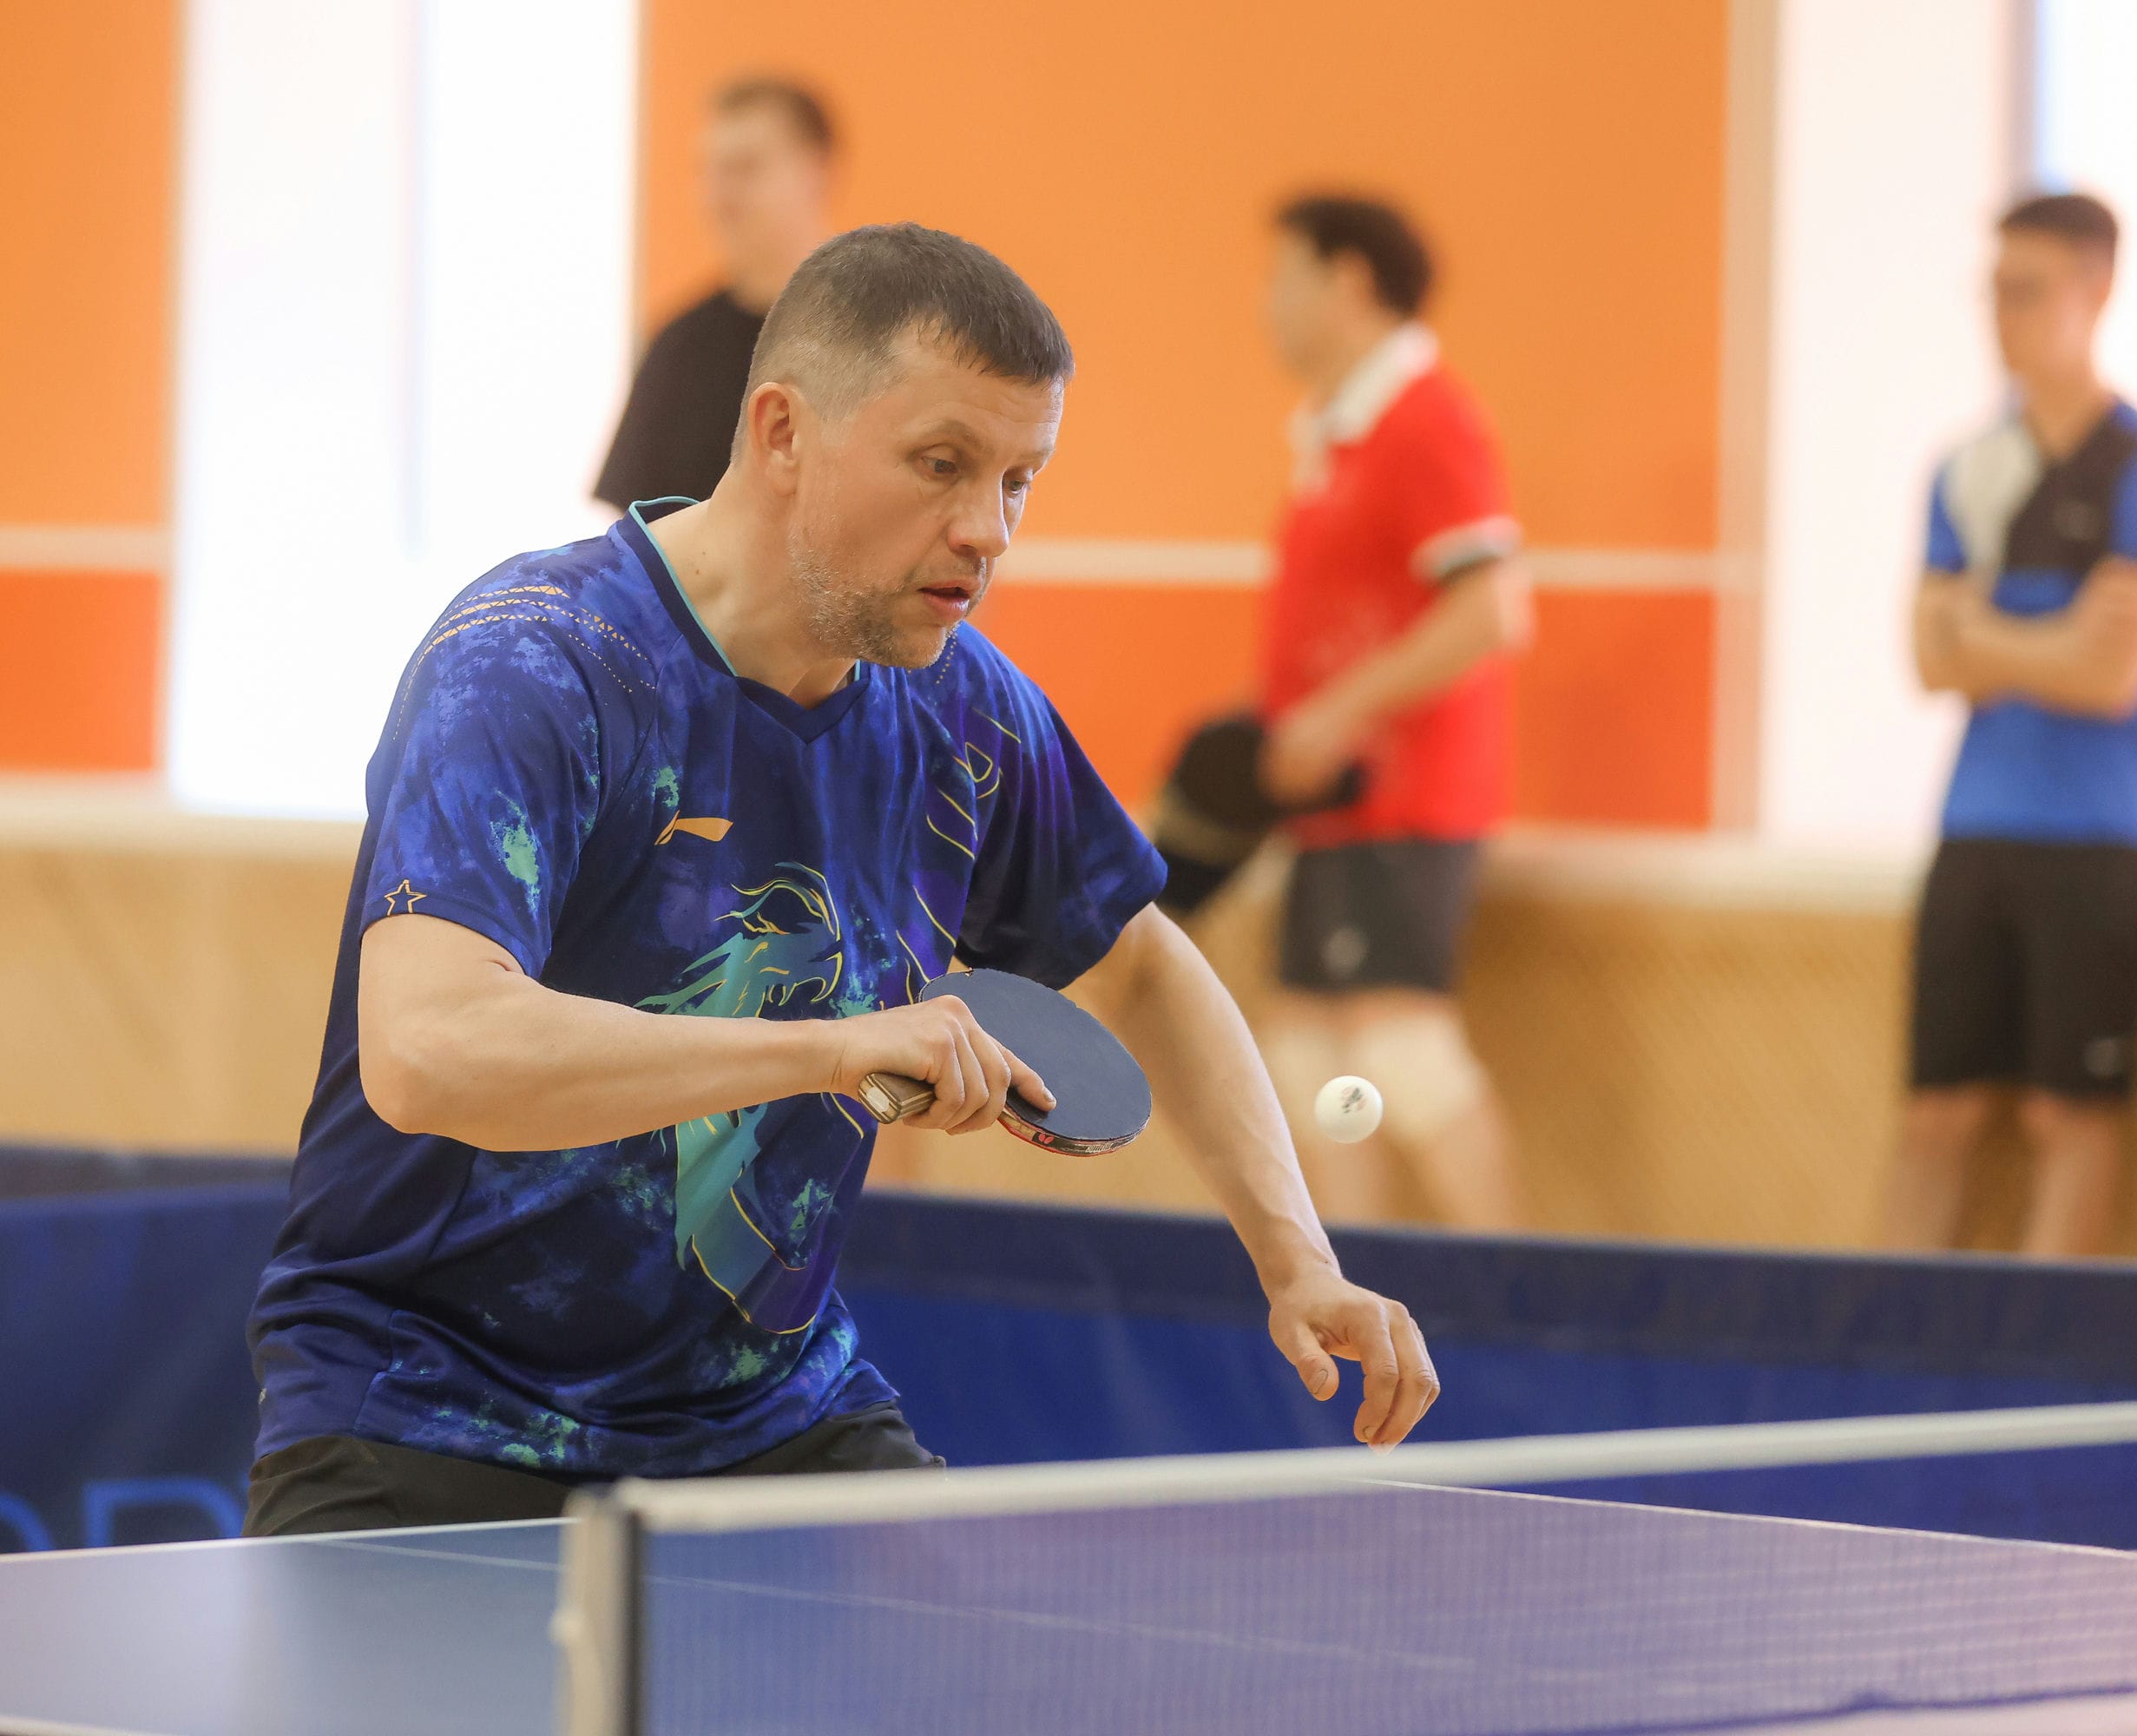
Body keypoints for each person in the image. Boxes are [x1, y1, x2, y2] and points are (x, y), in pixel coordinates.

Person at [244, 224, 1438, 1535]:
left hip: (765, 1417)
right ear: (781, 432)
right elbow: (427, 1049)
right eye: (942, 464)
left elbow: (1142, 962)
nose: (987, 530)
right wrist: (826, 1049)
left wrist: (1299, 1260)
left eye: (1019, 480)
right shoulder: (539, 665)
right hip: (429, 1411)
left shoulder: (964, 712)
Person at [1880, 192, 2137, 1259]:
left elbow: (2114, 674)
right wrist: (2054, 633)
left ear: (2095, 290)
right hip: (1976, 827)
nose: (2003, 316)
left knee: (2070, 1116)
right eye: (1992, 292)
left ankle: (2042, 1355)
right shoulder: (1968, 470)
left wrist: (1985, 629)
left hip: (2103, 838)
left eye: (2026, 291)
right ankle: (1891, 1342)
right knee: (1936, 1114)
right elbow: (1930, 657)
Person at [1248, 194, 1534, 1229]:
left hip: (1405, 800)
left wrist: (1337, 713)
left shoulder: (1424, 416)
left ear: (1349, 280)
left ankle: (1523, 1299)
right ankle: (1352, 1294)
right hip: (1334, 808)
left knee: (1403, 1054)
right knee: (1316, 1061)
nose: (1266, 303)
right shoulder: (1338, 437)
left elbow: (1493, 609)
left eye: (1283, 276)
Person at [593, 78, 835, 509]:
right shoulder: (678, 349)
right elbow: (635, 526)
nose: (722, 196)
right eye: (712, 171)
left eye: (745, 168)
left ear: (814, 173)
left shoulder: (881, 334)